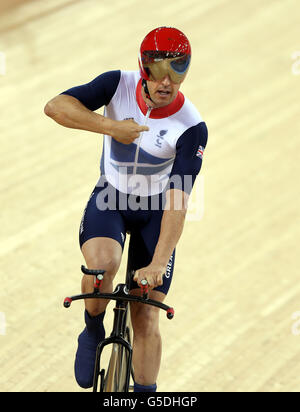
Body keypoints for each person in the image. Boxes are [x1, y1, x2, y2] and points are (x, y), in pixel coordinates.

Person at [44, 26, 208, 392]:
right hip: (111, 198)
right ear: (142, 67)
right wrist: (111, 126)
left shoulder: (191, 127)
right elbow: (55, 107)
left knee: (146, 314)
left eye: (178, 70)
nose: (167, 81)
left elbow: (178, 204)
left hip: (156, 213)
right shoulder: (117, 84)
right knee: (102, 267)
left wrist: (157, 262)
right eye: (158, 70)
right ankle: (91, 329)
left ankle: (145, 395)